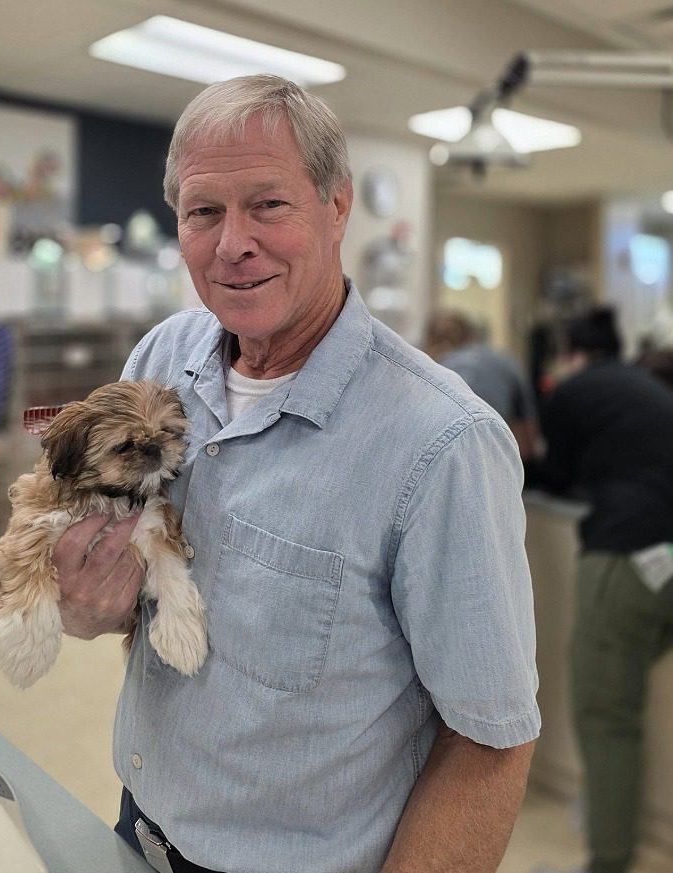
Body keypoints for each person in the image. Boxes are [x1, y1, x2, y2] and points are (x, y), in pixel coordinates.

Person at [52, 74, 540, 873]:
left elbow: (489, 739)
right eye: (203, 211)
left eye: (267, 205)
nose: (231, 242)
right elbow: (124, 598)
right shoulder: (160, 361)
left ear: (336, 206)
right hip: (139, 822)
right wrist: (88, 604)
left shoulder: (440, 443)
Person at [528, 307, 673, 873]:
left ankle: (609, 858)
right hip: (663, 554)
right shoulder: (646, 386)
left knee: (606, 711)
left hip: (626, 553)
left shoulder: (573, 392)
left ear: (570, 351)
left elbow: (557, 474)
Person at [425, 307, 541, 460]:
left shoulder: (426, 372)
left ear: (429, 339)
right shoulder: (504, 363)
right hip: (497, 459)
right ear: (470, 335)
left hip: (444, 463)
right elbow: (527, 434)